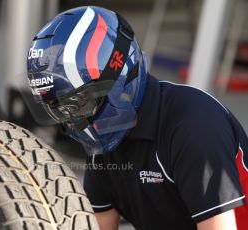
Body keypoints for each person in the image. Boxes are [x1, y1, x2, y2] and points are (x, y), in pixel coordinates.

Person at [26, 6, 248, 230]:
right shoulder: (102, 142)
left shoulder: (193, 124)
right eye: (63, 109)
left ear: (118, 73)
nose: (75, 121)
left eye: (80, 103)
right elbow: (99, 225)